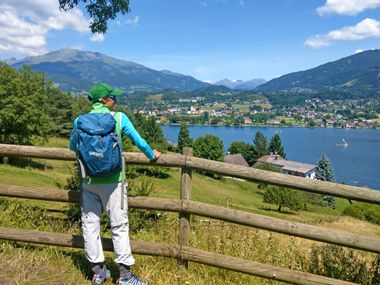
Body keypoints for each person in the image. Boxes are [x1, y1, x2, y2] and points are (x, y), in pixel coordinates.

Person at [69, 83, 160, 285]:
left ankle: (99, 272)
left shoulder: (79, 121)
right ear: (104, 100)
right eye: (113, 97)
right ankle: (125, 277)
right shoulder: (119, 118)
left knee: (90, 225)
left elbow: (72, 146)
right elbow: (140, 141)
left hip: (88, 180)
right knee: (119, 225)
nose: (116, 101)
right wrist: (152, 155)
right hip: (114, 181)